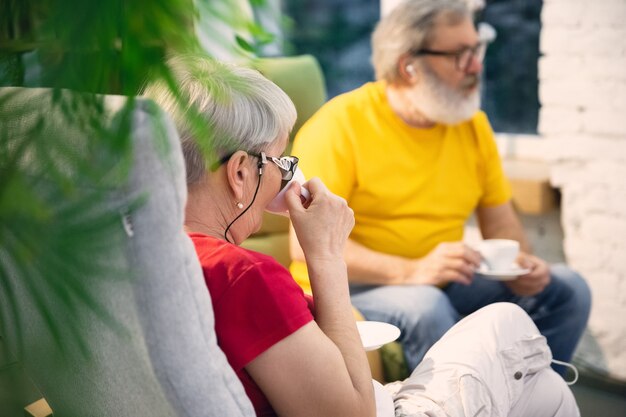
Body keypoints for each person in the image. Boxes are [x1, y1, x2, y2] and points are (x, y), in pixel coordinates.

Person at [144, 54, 580, 417]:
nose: (285, 180)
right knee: (506, 323)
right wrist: (327, 253)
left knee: (544, 392)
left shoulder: (138, 250)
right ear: (241, 172)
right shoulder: (243, 274)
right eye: (280, 162)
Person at [288, 0, 591, 375]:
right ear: (408, 66)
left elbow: (501, 223)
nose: (477, 66)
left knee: (567, 288)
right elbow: (304, 246)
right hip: (354, 288)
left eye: (477, 48)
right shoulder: (338, 126)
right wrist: (412, 270)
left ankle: (527, 400)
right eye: (459, 55)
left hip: (442, 279)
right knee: (426, 306)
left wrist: (522, 266)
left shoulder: (472, 126)